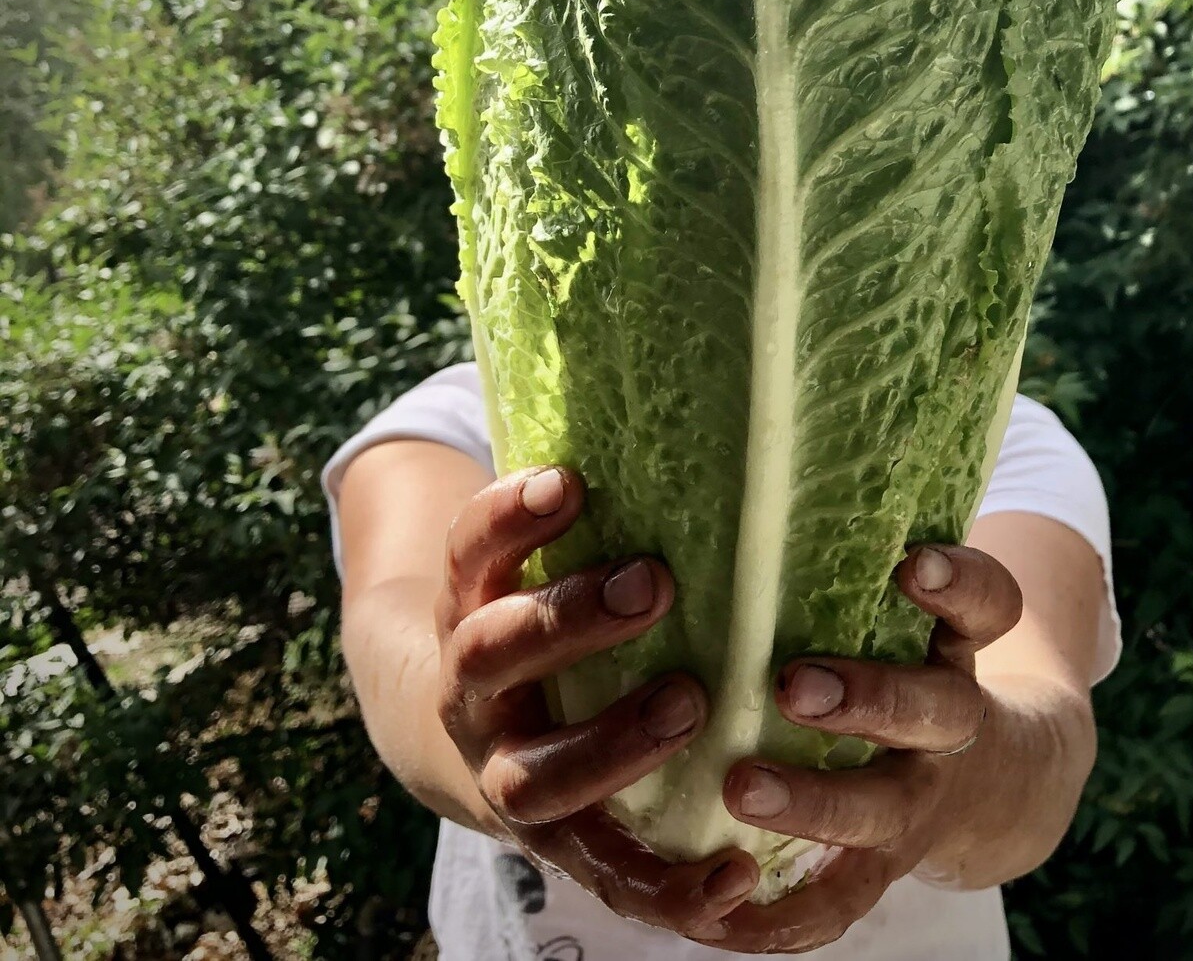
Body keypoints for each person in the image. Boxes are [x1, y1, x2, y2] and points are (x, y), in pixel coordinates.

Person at [326, 364, 1120, 958]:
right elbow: (388, 629)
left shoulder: (1002, 439)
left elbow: (1049, 739)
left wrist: (949, 777)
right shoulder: (457, 419)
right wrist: (483, 746)